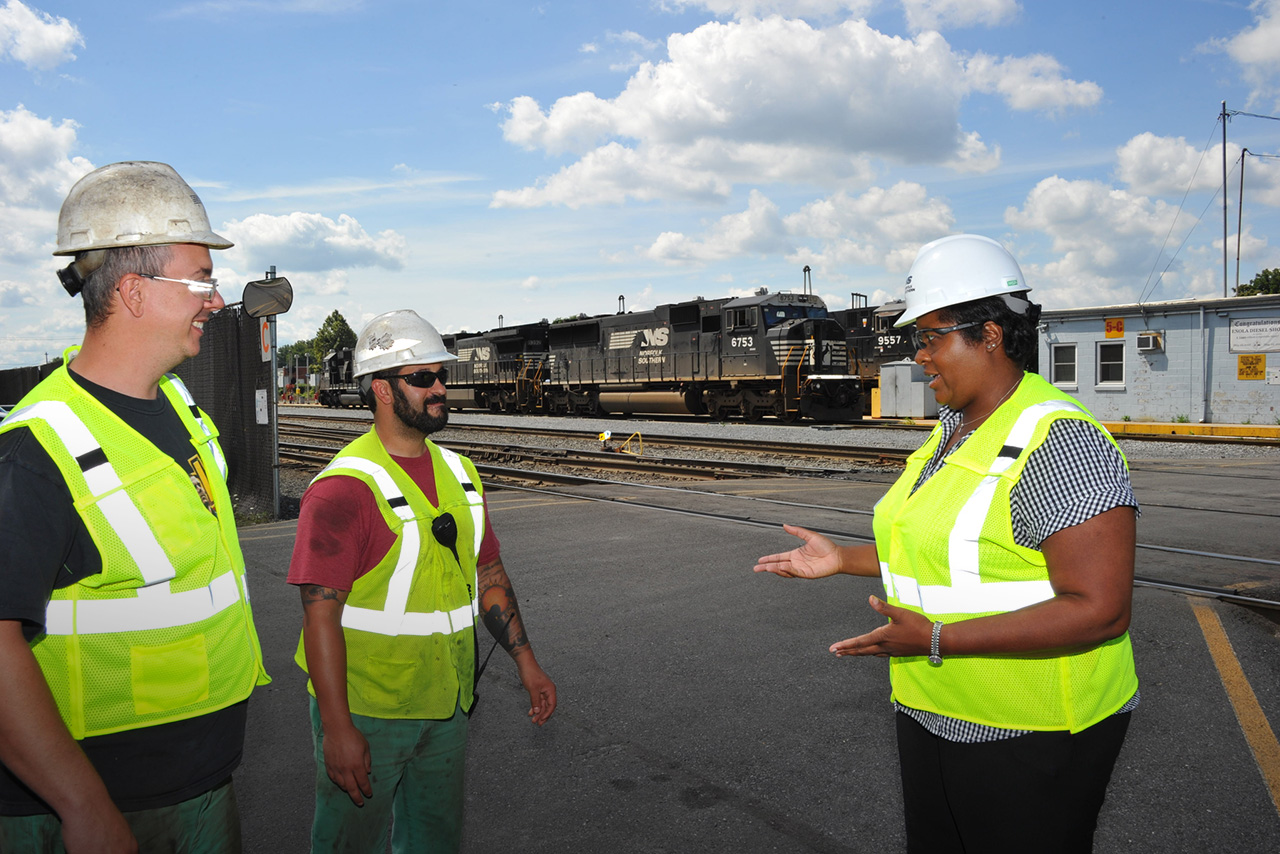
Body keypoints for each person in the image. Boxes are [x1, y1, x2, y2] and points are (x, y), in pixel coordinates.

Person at [755, 234, 1139, 854]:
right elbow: (952, 547)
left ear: (989, 334)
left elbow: (1101, 608)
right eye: (917, 340)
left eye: (930, 337)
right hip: (932, 709)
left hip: (1033, 729)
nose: (919, 356)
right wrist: (843, 560)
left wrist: (937, 638)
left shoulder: (1061, 440)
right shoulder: (954, 429)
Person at [0, 161, 271, 853]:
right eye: (200, 280)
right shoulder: (36, 450)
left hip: (197, 780)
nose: (215, 299)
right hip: (103, 800)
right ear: (133, 291)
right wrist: (83, 805)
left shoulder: (177, 406)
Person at [287, 309, 557, 853]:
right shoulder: (342, 490)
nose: (439, 390)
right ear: (382, 390)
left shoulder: (461, 473)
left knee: (434, 842)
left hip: (447, 703)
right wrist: (337, 730)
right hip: (367, 708)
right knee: (348, 844)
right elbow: (320, 615)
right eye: (422, 379)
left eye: (441, 376)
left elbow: (489, 574)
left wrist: (527, 663)